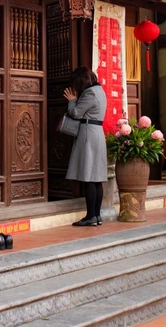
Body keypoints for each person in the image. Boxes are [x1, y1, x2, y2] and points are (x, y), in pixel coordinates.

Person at [64, 67, 108, 227]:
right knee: (96, 178)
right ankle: (96, 216)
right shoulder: (100, 91)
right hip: (96, 132)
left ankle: (90, 216)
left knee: (88, 176)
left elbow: (75, 113)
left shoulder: (90, 93)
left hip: (89, 133)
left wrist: (72, 100)